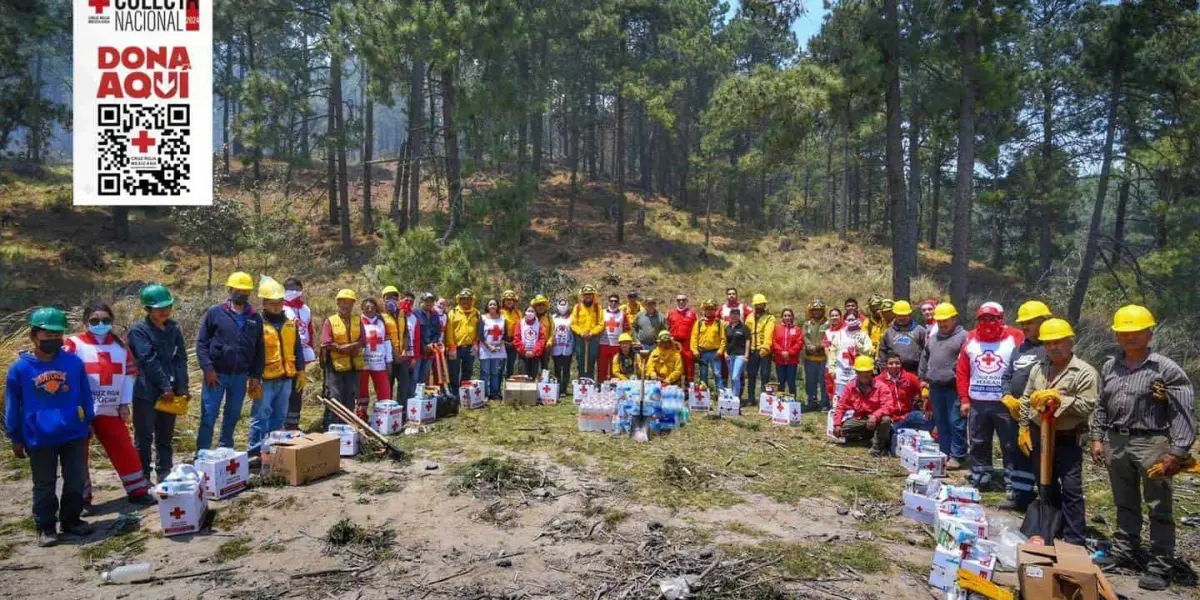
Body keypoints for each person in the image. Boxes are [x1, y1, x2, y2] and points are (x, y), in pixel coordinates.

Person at [1091, 305, 1195, 591]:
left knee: (1159, 506)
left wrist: (1178, 451)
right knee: (1124, 501)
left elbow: (1183, 411)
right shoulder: (1111, 366)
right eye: (1124, 332)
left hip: (1153, 442)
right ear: (1116, 335)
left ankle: (1160, 564)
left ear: (1150, 333)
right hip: (1117, 440)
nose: (1130, 337)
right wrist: (1097, 438)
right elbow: (1102, 405)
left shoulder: (1165, 369)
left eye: (1137, 331)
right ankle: (1125, 550)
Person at [5, 307, 95, 546]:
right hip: (39, 436)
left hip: (73, 432)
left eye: (58, 334)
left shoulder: (73, 363)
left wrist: (89, 421)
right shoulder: (20, 369)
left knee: (76, 478)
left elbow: (85, 395)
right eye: (47, 334)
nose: (53, 339)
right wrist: (14, 436)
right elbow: (13, 406)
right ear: (34, 336)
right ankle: (45, 527)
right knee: (44, 484)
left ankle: (71, 520)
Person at [64, 301, 153, 509]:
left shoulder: (120, 346)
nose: (100, 324)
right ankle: (82, 498)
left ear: (112, 321)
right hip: (80, 409)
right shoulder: (74, 344)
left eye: (105, 320)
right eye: (95, 320)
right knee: (78, 454)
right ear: (86, 322)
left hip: (110, 407)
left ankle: (138, 489)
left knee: (123, 446)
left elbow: (129, 377)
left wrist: (124, 404)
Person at [1017, 318, 1097, 547]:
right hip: (1038, 434)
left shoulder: (1084, 372)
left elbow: (1087, 405)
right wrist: (1023, 426)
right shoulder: (1039, 368)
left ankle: (1074, 539)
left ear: (1071, 341)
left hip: (1066, 437)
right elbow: (1026, 398)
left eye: (1058, 341)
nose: (1053, 347)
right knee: (1045, 485)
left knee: (1071, 488)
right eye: (1048, 343)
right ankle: (1049, 530)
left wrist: (1058, 400)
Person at [958, 302, 1025, 491]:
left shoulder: (1015, 336)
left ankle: (1012, 479)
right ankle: (981, 476)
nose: (987, 322)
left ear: (1001, 319)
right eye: (983, 318)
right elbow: (962, 371)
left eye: (992, 318)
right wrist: (964, 399)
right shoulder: (971, 338)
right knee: (978, 442)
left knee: (1010, 443)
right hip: (978, 402)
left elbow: (1024, 366)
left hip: (1006, 403)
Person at [196, 272, 265, 452]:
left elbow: (259, 350)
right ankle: (202, 453)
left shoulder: (255, 318)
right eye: (238, 289)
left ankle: (225, 450)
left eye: (245, 290)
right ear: (230, 289)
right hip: (216, 375)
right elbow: (202, 343)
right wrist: (208, 369)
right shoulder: (215, 313)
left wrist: (256, 376)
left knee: (233, 415)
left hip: (240, 376)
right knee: (209, 415)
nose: (241, 293)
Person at [127, 284, 188, 484]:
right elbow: (148, 360)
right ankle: (142, 477)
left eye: (167, 307)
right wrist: (165, 386)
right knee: (144, 436)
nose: (164, 311)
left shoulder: (173, 328)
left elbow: (180, 358)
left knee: (165, 435)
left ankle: (165, 472)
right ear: (147, 309)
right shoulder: (139, 331)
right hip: (147, 390)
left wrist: (182, 387)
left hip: (170, 390)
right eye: (159, 308)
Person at [998, 299, 1052, 510]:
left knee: (1039, 454)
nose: (1024, 326)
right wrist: (1006, 396)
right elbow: (1007, 375)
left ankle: (1044, 499)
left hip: (1040, 414)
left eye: (1029, 322)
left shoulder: (1049, 347)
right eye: (1023, 323)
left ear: (1043, 321)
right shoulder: (1019, 349)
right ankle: (1021, 497)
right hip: (1016, 412)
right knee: (1017, 452)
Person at [250, 279, 303, 456]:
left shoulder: (290, 323)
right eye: (272, 303)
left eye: (279, 302)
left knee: (279, 417)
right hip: (264, 380)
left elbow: (298, 349)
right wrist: (253, 378)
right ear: (264, 304)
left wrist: (301, 371)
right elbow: (251, 353)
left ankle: (274, 452)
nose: (276, 307)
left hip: (286, 378)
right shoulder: (256, 324)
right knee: (261, 417)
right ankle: (256, 453)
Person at [919, 302, 968, 469]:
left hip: (954, 387)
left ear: (954, 319)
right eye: (939, 321)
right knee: (941, 422)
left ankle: (957, 455)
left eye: (945, 320)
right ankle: (944, 452)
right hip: (935, 387)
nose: (942, 324)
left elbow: (968, 361)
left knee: (956, 421)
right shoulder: (933, 338)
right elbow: (925, 357)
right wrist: (923, 377)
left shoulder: (964, 337)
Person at [833, 356, 896, 457]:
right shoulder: (850, 386)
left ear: (871, 371)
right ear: (856, 372)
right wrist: (837, 424)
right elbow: (841, 406)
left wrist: (875, 416)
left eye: (867, 371)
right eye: (861, 372)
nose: (864, 374)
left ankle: (878, 447)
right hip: (860, 419)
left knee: (886, 420)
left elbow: (888, 406)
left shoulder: (881, 387)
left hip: (877, 420)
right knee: (840, 431)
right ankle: (867, 437)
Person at [321, 289, 364, 427]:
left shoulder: (358, 320)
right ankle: (332, 426)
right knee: (335, 397)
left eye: (349, 303)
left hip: (353, 366)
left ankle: (348, 426)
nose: (346, 305)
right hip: (335, 367)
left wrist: (351, 346)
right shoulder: (330, 321)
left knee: (351, 396)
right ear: (338, 303)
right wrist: (342, 349)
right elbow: (326, 343)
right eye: (343, 302)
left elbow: (363, 340)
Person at [281, 278, 316, 430]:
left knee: (297, 389)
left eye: (296, 287)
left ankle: (293, 423)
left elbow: (310, 331)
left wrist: (310, 351)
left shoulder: (305, 309)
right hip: (285, 355)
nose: (293, 291)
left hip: (302, 354)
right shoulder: (280, 307)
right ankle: (280, 423)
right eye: (289, 288)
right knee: (283, 390)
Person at [825, 313, 874, 403]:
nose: (851, 321)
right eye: (849, 320)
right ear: (845, 321)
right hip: (841, 370)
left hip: (858, 370)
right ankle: (838, 411)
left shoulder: (863, 334)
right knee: (841, 394)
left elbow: (871, 351)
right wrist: (831, 367)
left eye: (853, 319)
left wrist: (862, 348)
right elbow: (832, 351)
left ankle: (856, 412)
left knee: (857, 393)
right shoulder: (840, 333)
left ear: (858, 319)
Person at [358, 298, 394, 415]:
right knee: (362, 390)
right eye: (367, 307)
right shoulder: (357, 321)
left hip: (379, 362)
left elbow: (387, 342)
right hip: (363, 363)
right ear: (362, 308)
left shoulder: (381, 322)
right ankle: (362, 416)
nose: (370, 310)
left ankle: (383, 416)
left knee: (384, 390)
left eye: (372, 307)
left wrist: (389, 361)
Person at [879, 354, 928, 432]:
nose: (894, 366)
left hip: (908, 415)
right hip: (891, 419)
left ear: (901, 364)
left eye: (897, 363)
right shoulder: (879, 380)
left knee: (926, 419)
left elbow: (923, 390)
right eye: (891, 363)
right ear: (886, 365)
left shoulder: (910, 377)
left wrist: (927, 408)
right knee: (893, 438)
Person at [446, 288, 481, 396]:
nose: (465, 301)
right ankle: (455, 395)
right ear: (459, 300)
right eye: (463, 299)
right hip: (455, 348)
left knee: (468, 371)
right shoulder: (453, 312)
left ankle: (464, 394)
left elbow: (479, 329)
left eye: (468, 299)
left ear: (472, 300)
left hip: (471, 347)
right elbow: (449, 331)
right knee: (453, 372)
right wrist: (451, 347)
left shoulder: (477, 313)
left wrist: (476, 343)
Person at [879, 300, 927, 374]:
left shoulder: (920, 331)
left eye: (904, 315)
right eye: (899, 315)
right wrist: (883, 371)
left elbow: (926, 352)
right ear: (895, 315)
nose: (901, 318)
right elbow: (882, 352)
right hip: (893, 373)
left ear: (910, 314)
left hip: (915, 372)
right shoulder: (888, 332)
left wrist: (923, 373)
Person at [381, 286, 411, 405]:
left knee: (404, 385)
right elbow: (385, 338)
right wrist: (395, 354)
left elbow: (406, 334)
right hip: (388, 358)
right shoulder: (381, 316)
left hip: (402, 356)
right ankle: (388, 410)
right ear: (383, 299)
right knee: (388, 386)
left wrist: (405, 350)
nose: (391, 299)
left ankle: (402, 411)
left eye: (394, 297)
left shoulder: (402, 314)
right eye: (388, 297)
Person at [746, 295, 776, 404]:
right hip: (752, 350)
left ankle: (764, 399)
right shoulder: (749, 317)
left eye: (761, 304)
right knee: (751, 375)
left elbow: (769, 334)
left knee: (765, 375)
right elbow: (747, 334)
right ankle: (751, 398)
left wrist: (765, 348)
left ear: (764, 304)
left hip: (764, 351)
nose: (759, 306)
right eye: (757, 304)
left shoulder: (770, 318)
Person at [691, 300, 727, 391]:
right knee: (703, 374)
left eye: (711, 309)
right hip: (702, 352)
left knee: (717, 373)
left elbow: (723, 338)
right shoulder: (699, 323)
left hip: (715, 352)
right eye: (707, 309)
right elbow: (694, 338)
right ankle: (704, 394)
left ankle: (720, 392)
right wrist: (694, 350)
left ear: (715, 310)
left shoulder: (720, 323)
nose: (709, 311)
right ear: (704, 310)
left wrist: (721, 351)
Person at [571, 285, 604, 379]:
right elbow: (573, 324)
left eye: (590, 294)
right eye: (585, 294)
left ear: (593, 296)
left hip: (593, 338)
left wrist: (592, 333)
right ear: (582, 296)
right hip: (580, 338)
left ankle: (590, 382)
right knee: (580, 359)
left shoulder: (598, 308)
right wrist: (581, 333)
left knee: (592, 359)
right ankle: (581, 382)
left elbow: (601, 324)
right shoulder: (577, 307)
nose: (588, 296)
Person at [478, 299, 508, 400]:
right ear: (487, 306)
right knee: (485, 373)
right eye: (490, 304)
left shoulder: (503, 319)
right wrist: (489, 346)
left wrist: (498, 345)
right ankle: (484, 394)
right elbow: (480, 335)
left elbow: (505, 335)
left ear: (497, 306)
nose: (492, 306)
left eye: (494, 304)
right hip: (485, 349)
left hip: (498, 349)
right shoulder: (482, 318)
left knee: (495, 372)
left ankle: (494, 393)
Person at [801, 300, 828, 410]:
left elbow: (828, 337)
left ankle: (824, 403)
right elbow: (805, 337)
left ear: (823, 311)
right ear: (811, 311)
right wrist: (810, 347)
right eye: (815, 310)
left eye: (819, 310)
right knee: (810, 381)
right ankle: (811, 402)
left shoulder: (828, 323)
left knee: (824, 381)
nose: (817, 312)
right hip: (810, 358)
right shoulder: (806, 324)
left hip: (823, 358)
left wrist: (819, 347)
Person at [771, 308, 803, 396]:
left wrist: (789, 352)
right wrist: (781, 352)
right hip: (779, 360)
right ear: (782, 317)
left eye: (789, 315)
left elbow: (799, 343)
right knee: (780, 382)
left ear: (792, 317)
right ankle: (780, 402)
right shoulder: (777, 328)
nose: (787, 317)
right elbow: (774, 342)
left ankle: (793, 402)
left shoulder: (797, 329)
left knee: (791, 382)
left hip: (791, 360)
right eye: (785, 315)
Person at [412, 293, 441, 389]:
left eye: (431, 301)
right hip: (418, 350)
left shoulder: (435, 314)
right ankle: (412, 399)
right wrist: (423, 346)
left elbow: (437, 331)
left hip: (430, 350)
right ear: (422, 301)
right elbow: (414, 332)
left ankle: (421, 400)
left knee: (424, 376)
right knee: (414, 377)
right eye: (426, 301)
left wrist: (432, 345)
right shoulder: (415, 313)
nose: (429, 303)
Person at [667, 294, 698, 383]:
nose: (681, 302)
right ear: (676, 301)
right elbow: (667, 327)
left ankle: (690, 387)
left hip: (687, 344)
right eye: (679, 300)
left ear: (687, 301)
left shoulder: (692, 313)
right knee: (674, 364)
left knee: (689, 366)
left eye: (683, 300)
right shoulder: (670, 313)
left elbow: (697, 329)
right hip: (674, 344)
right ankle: (675, 385)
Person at [598, 294, 629, 381]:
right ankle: (601, 384)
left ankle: (614, 385)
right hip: (603, 343)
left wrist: (625, 343)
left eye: (615, 301)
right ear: (608, 302)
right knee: (602, 366)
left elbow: (627, 329)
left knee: (615, 367)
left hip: (616, 344)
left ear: (618, 302)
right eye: (611, 301)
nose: (613, 303)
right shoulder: (602, 312)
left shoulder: (622, 314)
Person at [725, 308, 751, 398]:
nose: (734, 316)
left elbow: (748, 341)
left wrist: (747, 355)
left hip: (740, 355)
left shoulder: (744, 327)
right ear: (730, 316)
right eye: (732, 314)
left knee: (735, 377)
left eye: (736, 314)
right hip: (730, 355)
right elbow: (724, 341)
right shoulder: (727, 327)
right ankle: (733, 396)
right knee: (732, 377)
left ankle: (736, 397)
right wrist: (725, 353)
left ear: (739, 316)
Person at [514, 307, 547, 377]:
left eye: (532, 311)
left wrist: (534, 352)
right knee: (523, 376)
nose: (530, 313)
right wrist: (524, 351)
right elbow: (517, 338)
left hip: (535, 355)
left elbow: (542, 339)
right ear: (525, 312)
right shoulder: (520, 323)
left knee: (533, 376)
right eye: (529, 311)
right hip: (523, 354)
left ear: (535, 313)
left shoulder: (539, 325)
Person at [550, 299, 574, 392]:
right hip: (556, 347)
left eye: (565, 305)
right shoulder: (553, 317)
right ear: (557, 306)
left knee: (566, 369)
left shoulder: (571, 317)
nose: (563, 307)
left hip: (568, 347)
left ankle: (564, 389)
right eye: (561, 305)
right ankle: (557, 388)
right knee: (557, 368)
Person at [501, 290, 522, 379]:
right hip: (501, 342)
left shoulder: (518, 313)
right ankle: (498, 388)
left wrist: (515, 341)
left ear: (514, 301)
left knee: (511, 365)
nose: (509, 301)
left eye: (511, 300)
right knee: (500, 365)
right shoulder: (499, 312)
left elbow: (522, 327)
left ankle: (508, 385)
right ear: (503, 301)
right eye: (507, 300)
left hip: (514, 342)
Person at [531, 295, 554, 374]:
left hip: (545, 347)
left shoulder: (549, 318)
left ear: (545, 306)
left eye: (542, 305)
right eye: (538, 305)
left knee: (545, 369)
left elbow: (552, 332)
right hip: (533, 347)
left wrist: (549, 342)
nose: (540, 307)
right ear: (535, 307)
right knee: (533, 368)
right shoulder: (531, 318)